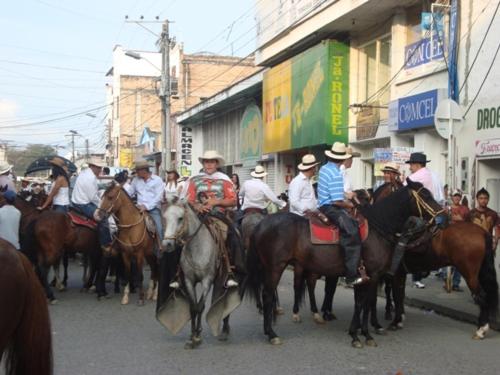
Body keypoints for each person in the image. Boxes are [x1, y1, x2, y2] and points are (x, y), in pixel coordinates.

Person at [174, 150, 243, 289]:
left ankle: (230, 271)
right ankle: (178, 274)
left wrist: (215, 202)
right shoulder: (194, 179)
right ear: (203, 163)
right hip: (196, 215)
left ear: (216, 163)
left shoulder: (224, 179)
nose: (209, 164)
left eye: (212, 161)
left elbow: (233, 201)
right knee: (177, 235)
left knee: (234, 235)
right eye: (206, 161)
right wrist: (197, 206)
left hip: (218, 215)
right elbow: (188, 199)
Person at [317, 142, 369, 286]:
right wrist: (351, 205)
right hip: (331, 208)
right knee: (352, 230)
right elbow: (337, 201)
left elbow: (335, 193)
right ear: (342, 159)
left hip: (322, 205)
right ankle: (351, 275)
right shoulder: (336, 173)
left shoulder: (324, 168)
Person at [71, 161, 112, 252]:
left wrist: (104, 186)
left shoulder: (84, 173)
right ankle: (106, 244)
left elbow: (94, 187)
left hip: (75, 201)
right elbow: (93, 197)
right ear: (92, 166)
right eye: (98, 167)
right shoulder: (91, 178)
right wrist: (104, 206)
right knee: (103, 218)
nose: (100, 170)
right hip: (83, 204)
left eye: (100, 168)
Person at [127, 160, 165, 249]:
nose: (136, 173)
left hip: (153, 209)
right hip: (138, 209)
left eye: (137, 170)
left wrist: (146, 206)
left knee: (159, 228)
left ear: (144, 170)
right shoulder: (136, 180)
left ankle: (162, 248)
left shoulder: (157, 180)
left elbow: (158, 197)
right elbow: (129, 193)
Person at [447, 190, 469, 291]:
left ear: (460, 197)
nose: (456, 198)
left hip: (461, 237)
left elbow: (469, 222)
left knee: (460, 263)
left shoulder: (465, 209)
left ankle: (456, 283)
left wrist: (461, 220)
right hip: (449, 238)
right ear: (452, 197)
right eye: (455, 196)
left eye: (458, 196)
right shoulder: (447, 209)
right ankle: (446, 280)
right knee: (447, 262)